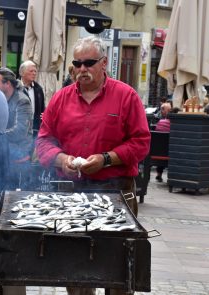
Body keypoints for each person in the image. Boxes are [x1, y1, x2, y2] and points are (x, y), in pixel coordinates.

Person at [36, 36, 150, 295]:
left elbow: (141, 143)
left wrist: (106, 159)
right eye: (77, 63)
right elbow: (43, 142)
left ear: (103, 63)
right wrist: (61, 159)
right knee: (76, 266)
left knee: (118, 266)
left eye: (88, 63)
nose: (82, 69)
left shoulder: (126, 96)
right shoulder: (61, 98)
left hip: (117, 190)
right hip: (72, 192)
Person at [0, 67, 33, 189]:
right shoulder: (0, 98)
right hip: (4, 155)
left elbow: (20, 131)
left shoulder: (22, 100)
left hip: (19, 159)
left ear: (7, 84)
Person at [19, 60, 45, 136]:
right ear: (22, 73)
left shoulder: (38, 89)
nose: (34, 73)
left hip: (35, 129)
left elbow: (42, 109)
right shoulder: (15, 88)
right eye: (31, 71)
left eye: (35, 71)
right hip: (19, 129)